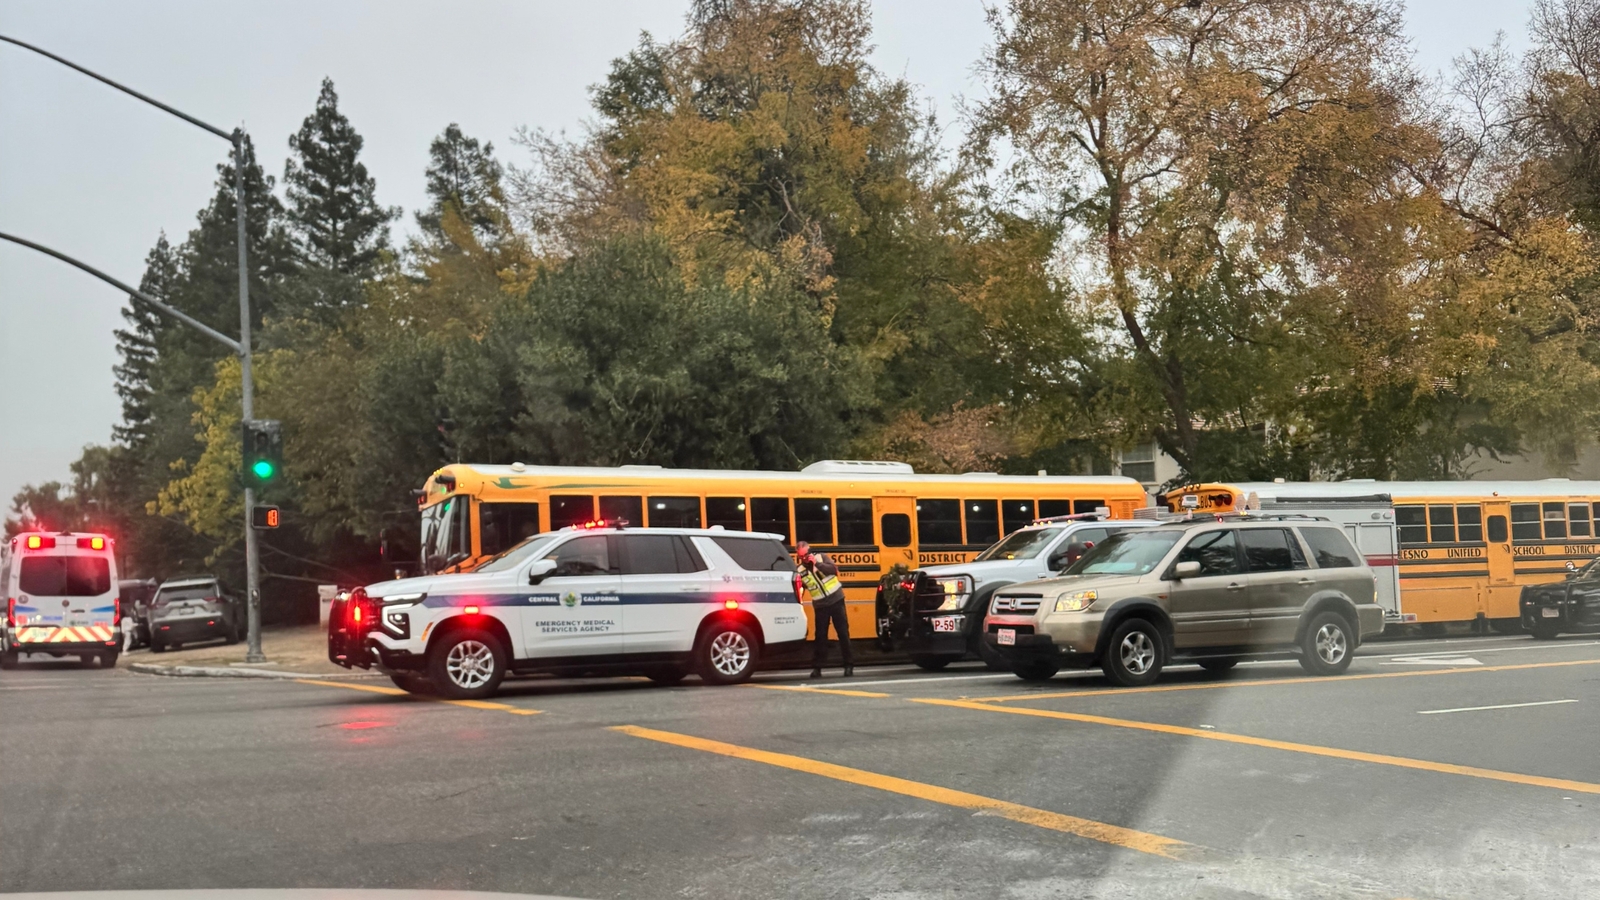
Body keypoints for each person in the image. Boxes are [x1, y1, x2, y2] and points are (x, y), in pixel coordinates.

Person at [795, 540, 852, 678]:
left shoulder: (821, 558)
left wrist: (816, 563)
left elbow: (833, 571)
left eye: (806, 555)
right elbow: (801, 588)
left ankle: (848, 665)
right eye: (801, 556)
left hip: (836, 600)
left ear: (811, 552)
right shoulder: (800, 571)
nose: (804, 558)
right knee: (820, 637)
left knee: (843, 633)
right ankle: (817, 668)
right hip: (820, 605)